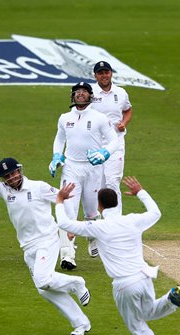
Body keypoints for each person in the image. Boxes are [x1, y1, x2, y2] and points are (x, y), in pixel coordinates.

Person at [55, 176, 180, 335]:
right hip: (144, 276)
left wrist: (60, 200)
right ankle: (172, 299)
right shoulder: (133, 220)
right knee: (148, 313)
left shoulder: (97, 226)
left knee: (137, 326)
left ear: (99, 206)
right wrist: (140, 192)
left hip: (125, 284)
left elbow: (64, 223)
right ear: (117, 202)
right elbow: (156, 213)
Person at [0, 154, 92, 335]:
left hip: (47, 239)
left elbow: (63, 198)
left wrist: (70, 224)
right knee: (44, 290)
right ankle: (81, 323)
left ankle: (77, 284)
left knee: (43, 280)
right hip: (27, 247)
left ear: (19, 171)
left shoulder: (38, 187)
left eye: (13, 173)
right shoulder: (3, 190)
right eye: (7, 176)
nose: (11, 178)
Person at [49, 81, 120, 270]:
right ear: (73, 96)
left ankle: (91, 237)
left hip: (93, 169)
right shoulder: (65, 118)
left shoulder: (99, 118)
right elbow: (60, 139)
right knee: (68, 211)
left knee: (90, 211)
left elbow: (114, 141)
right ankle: (68, 255)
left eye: (83, 92)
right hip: (71, 168)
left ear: (90, 96)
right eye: (77, 92)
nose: (80, 94)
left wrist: (104, 153)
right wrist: (56, 156)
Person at [90, 61, 133, 215]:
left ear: (111, 73)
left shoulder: (121, 93)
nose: (104, 76)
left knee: (112, 182)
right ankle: (99, 221)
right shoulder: (89, 93)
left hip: (115, 143)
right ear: (95, 75)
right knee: (97, 185)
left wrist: (124, 122)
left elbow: (128, 110)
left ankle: (116, 222)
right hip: (95, 145)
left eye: (106, 72)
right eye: (100, 73)